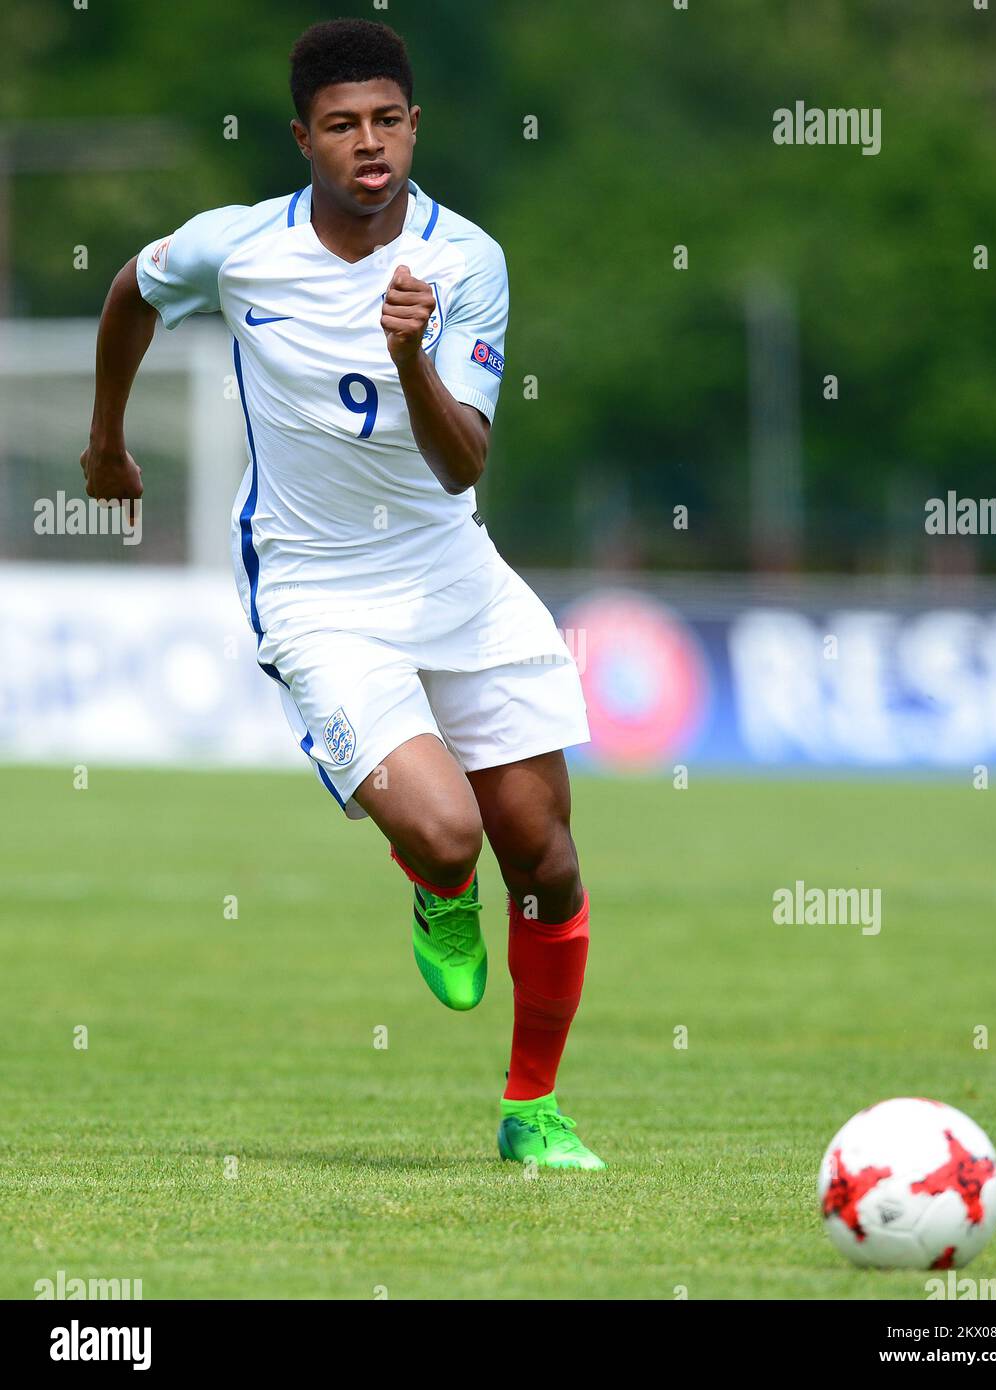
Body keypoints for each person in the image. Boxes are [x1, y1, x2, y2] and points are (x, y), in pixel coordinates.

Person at [80, 17, 605, 1170]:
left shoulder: (468, 259)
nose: (367, 144)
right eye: (340, 126)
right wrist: (108, 441)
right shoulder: (239, 248)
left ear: (414, 127)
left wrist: (410, 353)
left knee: (548, 857)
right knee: (449, 833)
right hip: (314, 585)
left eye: (385, 121)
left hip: (450, 567)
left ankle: (531, 1110)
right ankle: (432, 884)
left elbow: (463, 462)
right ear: (302, 140)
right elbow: (130, 289)